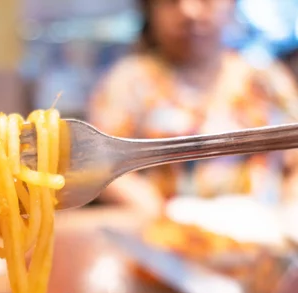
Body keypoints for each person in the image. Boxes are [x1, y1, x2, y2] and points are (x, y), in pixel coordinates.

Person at [89, 0, 298, 215]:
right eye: (171, 2)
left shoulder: (266, 79)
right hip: (163, 236)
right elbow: (101, 164)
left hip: (262, 236)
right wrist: (159, 213)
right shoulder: (129, 82)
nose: (189, 11)